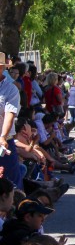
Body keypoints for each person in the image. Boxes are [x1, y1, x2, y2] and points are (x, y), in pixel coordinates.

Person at [0, 53, 23, 189]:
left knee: (12, 182)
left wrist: (2, 136)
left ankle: (16, 207)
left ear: (2, 68)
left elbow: (10, 114)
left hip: (3, 142)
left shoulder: (10, 89)